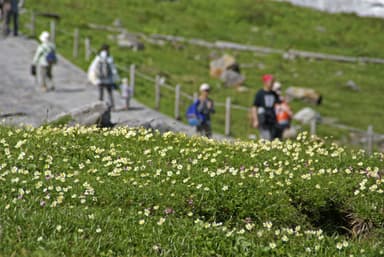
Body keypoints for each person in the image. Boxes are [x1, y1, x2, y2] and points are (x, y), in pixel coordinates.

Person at [88, 44, 119, 109]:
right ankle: (112, 106)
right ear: (107, 49)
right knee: (110, 93)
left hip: (100, 79)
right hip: (109, 79)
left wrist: (92, 78)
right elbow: (113, 69)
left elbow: (93, 68)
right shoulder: (109, 58)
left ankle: (100, 107)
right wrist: (116, 79)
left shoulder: (98, 57)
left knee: (100, 94)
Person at [251, 74, 280, 141]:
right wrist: (255, 120)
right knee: (266, 138)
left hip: (272, 120)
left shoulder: (274, 94)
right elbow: (254, 107)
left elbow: (279, 105)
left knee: (273, 138)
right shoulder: (260, 93)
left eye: (273, 82)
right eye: (271, 82)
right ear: (265, 82)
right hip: (263, 119)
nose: (272, 83)